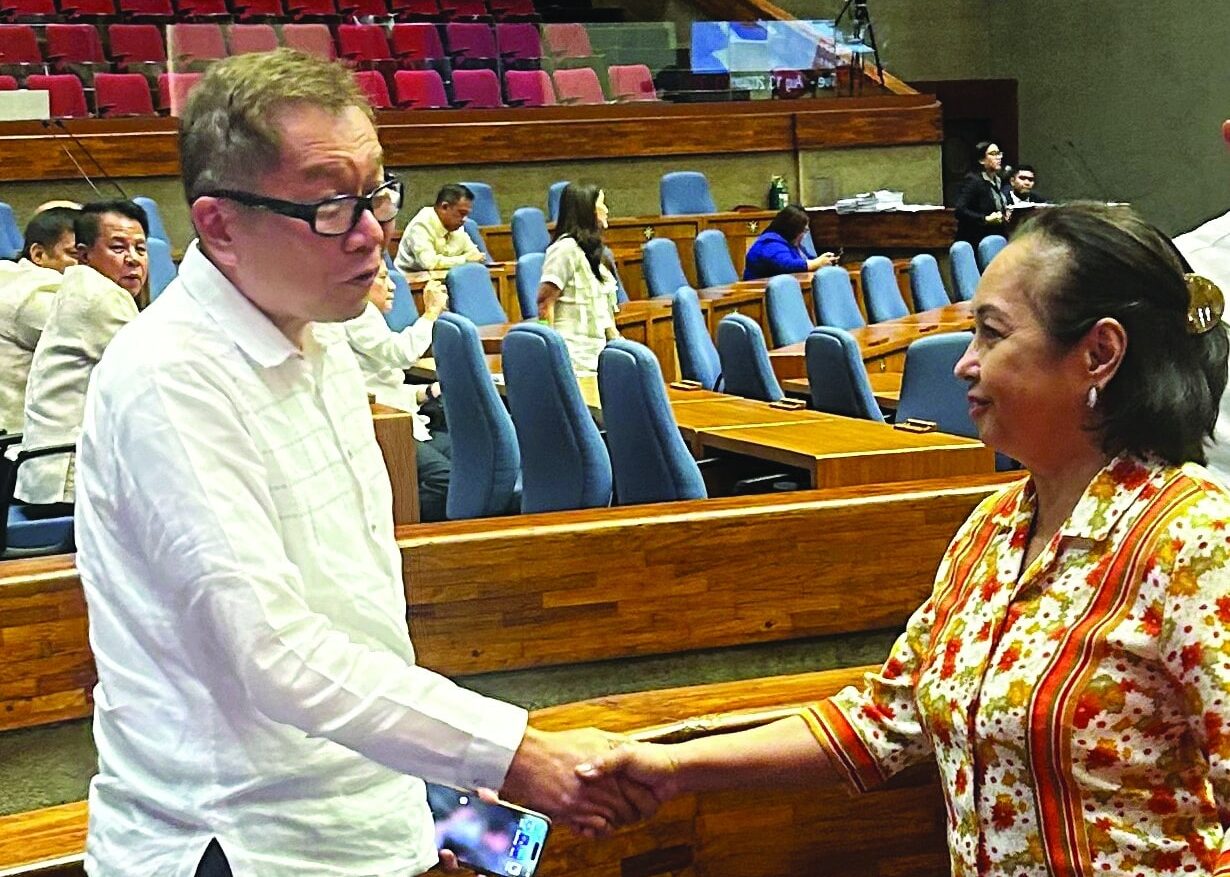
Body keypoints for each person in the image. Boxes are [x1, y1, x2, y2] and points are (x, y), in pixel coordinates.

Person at [74, 49, 643, 877]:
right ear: (219, 224)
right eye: (332, 205)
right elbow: (273, 653)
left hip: (367, 813)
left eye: (377, 191)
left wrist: (446, 777)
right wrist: (511, 752)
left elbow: (355, 608)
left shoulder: (322, 330)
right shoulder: (167, 378)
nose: (374, 231)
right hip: (248, 842)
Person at [578, 203, 1230, 877]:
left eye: (991, 334)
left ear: (1098, 353)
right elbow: (882, 723)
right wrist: (674, 765)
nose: (964, 363)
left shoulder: (1194, 544)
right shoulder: (993, 530)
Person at [16, 200, 147, 516]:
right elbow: (158, 373)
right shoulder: (98, 297)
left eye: (140, 249)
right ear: (85, 255)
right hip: (65, 484)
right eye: (118, 247)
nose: (132, 259)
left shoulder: (87, 287)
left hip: (50, 477)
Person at [342, 261, 454, 522]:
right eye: (382, 278)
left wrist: (427, 391)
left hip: (400, 416)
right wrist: (431, 314)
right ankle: (406, 526)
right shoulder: (359, 314)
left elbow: (383, 383)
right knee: (446, 479)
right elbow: (401, 355)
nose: (392, 286)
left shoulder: (365, 314)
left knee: (469, 456)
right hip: (386, 425)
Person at [0, 205, 79, 432]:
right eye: (75, 255)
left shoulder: (12, 277)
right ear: (38, 254)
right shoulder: (34, 297)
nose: (86, 267)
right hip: (19, 446)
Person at [535, 183, 620, 373]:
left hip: (596, 357)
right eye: (601, 204)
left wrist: (618, 343)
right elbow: (544, 303)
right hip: (572, 360)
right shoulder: (564, 249)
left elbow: (603, 311)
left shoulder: (594, 252)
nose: (606, 210)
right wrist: (551, 356)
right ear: (586, 210)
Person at [395, 183, 486, 273]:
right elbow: (429, 263)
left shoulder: (456, 227)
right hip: (413, 281)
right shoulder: (421, 224)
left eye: (467, 215)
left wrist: (471, 258)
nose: (464, 219)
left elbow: (475, 255)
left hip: (445, 278)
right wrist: (465, 259)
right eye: (462, 213)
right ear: (444, 207)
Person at [741, 204, 837, 280]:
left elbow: (806, 259)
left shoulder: (792, 244)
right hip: (761, 294)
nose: (804, 235)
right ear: (791, 230)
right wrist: (815, 263)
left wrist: (825, 261)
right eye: (803, 231)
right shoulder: (769, 243)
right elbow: (788, 265)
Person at [954, 141, 1012, 244]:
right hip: (976, 239)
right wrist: (985, 219)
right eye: (993, 154)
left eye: (999, 153)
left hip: (995, 237)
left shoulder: (998, 180)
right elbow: (960, 210)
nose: (998, 157)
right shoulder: (973, 181)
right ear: (981, 160)